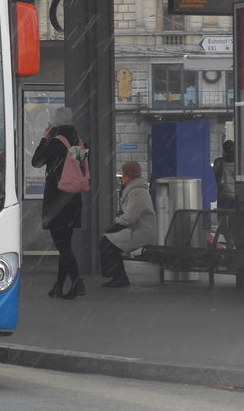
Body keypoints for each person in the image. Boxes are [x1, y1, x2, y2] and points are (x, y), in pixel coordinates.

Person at [32, 105, 86, 300]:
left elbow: (36, 162)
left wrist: (45, 138)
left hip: (57, 200)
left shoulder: (55, 142)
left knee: (62, 246)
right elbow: (79, 167)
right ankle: (59, 286)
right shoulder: (79, 142)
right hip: (73, 199)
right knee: (65, 244)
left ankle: (78, 282)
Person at [99, 161, 157, 288]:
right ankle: (118, 276)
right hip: (137, 229)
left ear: (128, 176)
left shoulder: (137, 192)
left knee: (107, 243)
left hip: (141, 232)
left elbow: (130, 217)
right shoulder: (136, 190)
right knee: (109, 242)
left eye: (123, 175)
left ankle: (119, 277)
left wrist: (116, 222)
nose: (122, 179)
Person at [212, 140, 236, 211]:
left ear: (224, 151)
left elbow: (213, 175)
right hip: (236, 194)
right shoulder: (239, 162)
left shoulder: (219, 162)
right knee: (234, 217)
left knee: (222, 216)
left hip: (223, 194)